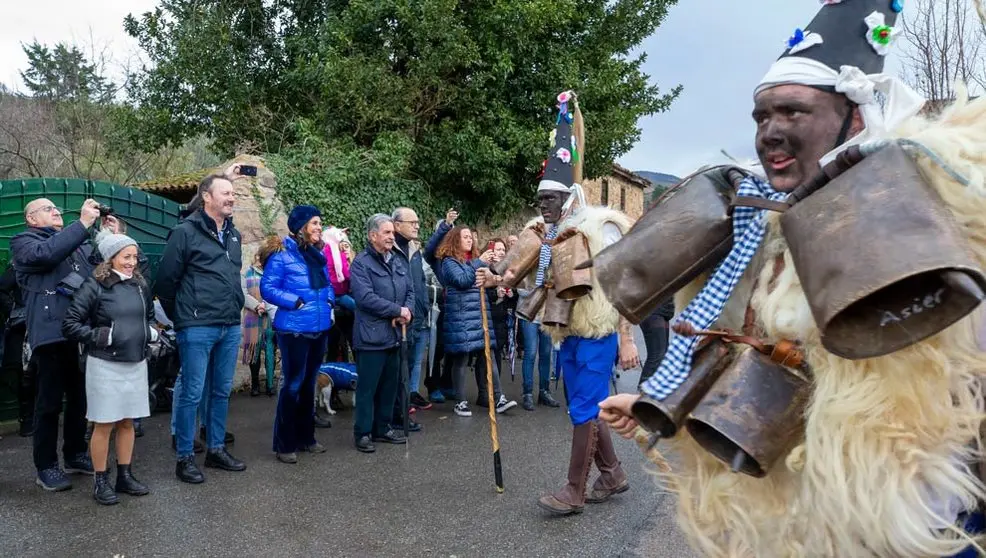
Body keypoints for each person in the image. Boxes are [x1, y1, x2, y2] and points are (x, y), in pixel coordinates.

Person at [598, 2, 986, 556]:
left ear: (854, 115)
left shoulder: (936, 215)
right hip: (814, 519)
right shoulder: (765, 225)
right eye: (761, 117)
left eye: (792, 113)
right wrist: (651, 407)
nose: (770, 133)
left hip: (932, 523)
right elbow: (748, 355)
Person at [477, 90, 639, 516]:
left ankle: (574, 490)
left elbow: (623, 286)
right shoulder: (540, 233)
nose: (542, 206)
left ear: (568, 197)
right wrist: (492, 275)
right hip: (564, 332)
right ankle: (613, 474)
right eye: (540, 200)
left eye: (549, 200)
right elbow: (514, 276)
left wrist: (626, 339)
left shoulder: (601, 228)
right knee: (585, 406)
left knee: (585, 406)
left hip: (598, 332)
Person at [156, 166, 248, 484]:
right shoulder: (185, 231)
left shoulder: (233, 234)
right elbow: (166, 280)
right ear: (206, 197)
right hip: (196, 326)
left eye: (233, 194)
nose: (231, 198)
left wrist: (236, 305)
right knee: (191, 393)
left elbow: (232, 277)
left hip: (228, 324)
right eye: (226, 193)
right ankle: (184, 457)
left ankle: (216, 450)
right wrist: (183, 316)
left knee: (221, 392)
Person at [11, 197, 102, 491]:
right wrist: (84, 223)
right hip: (50, 336)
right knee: (48, 404)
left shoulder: (77, 243)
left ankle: (75, 453)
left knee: (80, 400)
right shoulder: (24, 243)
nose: (56, 212)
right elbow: (47, 255)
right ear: (32, 219)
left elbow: (97, 274)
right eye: (48, 209)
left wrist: (106, 237)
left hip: (79, 334)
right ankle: (46, 466)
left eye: (57, 208)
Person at [62, 233, 153, 505]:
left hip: (136, 362)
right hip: (105, 365)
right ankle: (100, 481)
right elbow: (70, 324)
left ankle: (124, 476)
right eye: (126, 256)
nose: (132, 262)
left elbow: (146, 315)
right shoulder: (95, 284)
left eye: (134, 257)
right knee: (104, 424)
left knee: (127, 422)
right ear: (111, 257)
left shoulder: (139, 284)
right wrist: (101, 336)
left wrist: (149, 333)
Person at [261, 205, 335, 464]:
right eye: (314, 223)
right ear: (301, 227)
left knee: (308, 384)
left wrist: (329, 301)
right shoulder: (281, 255)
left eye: (319, 223)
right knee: (292, 385)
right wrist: (295, 301)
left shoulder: (316, 254)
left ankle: (307, 438)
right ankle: (285, 443)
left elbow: (327, 284)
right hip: (293, 328)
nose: (319, 227)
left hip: (319, 327)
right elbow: (267, 288)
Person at [429, 224, 517, 417]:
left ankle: (499, 397)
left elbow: (488, 280)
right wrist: (479, 262)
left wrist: (498, 274)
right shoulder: (448, 262)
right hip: (460, 316)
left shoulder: (475, 260)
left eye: (471, 237)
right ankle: (460, 402)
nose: (470, 239)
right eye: (465, 237)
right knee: (461, 358)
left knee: (490, 356)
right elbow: (462, 280)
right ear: (455, 240)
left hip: (479, 314)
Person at [349, 214, 413, 453]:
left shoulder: (398, 260)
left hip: (395, 335)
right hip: (371, 337)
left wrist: (407, 312)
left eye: (392, 233)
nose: (391, 237)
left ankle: (382, 427)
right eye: (386, 233)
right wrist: (397, 310)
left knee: (390, 386)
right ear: (372, 235)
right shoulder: (361, 263)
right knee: (368, 388)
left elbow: (410, 291)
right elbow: (364, 298)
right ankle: (363, 432)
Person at [392, 206, 433, 419]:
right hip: (398, 320)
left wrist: (424, 306)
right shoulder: (391, 250)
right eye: (412, 222)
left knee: (410, 365)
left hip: (417, 317)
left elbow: (421, 282)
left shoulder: (414, 251)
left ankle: (404, 407)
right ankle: (395, 412)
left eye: (417, 222)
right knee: (398, 368)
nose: (417, 225)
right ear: (397, 225)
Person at [242, 236, 280, 397]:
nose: (258, 258)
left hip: (269, 319)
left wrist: (266, 305)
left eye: (261, 255)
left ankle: (270, 386)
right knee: (254, 353)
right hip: (252, 317)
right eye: (257, 255)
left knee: (270, 351)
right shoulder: (246, 273)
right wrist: (256, 305)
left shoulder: (271, 273)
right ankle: (255, 384)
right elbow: (242, 294)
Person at [0, 266, 34, 437]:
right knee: (24, 375)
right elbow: (2, 290)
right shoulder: (17, 266)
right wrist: (15, 312)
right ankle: (27, 420)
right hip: (23, 329)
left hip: (46, 326)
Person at [636, 299, 674, 388]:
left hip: (663, 308)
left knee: (663, 353)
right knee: (657, 355)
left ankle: (651, 392)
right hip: (651, 307)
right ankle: (643, 394)